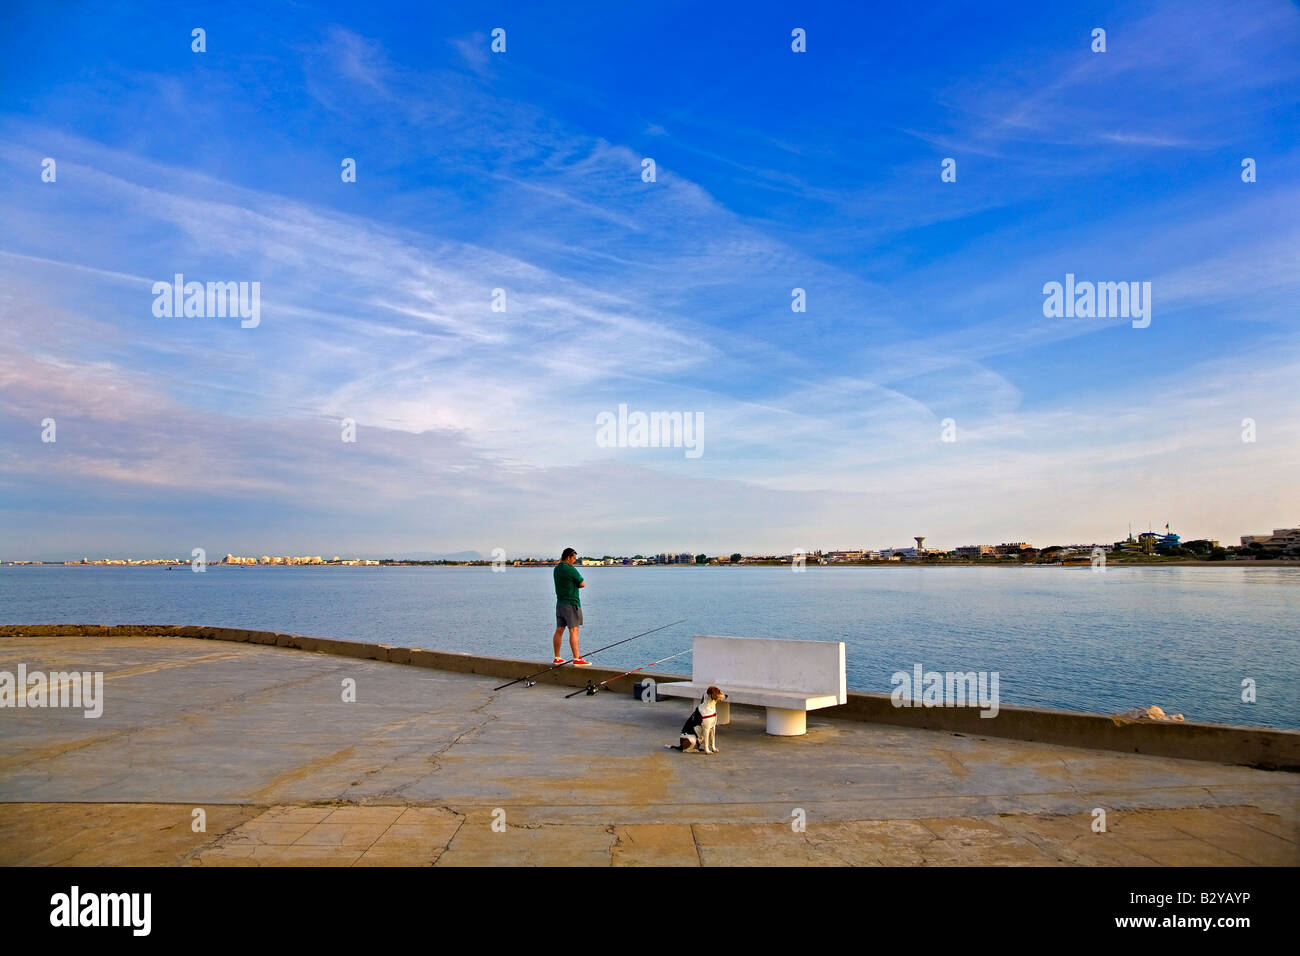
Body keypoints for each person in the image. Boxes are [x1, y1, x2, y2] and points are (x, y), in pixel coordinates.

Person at [552, 547, 589, 665]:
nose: (574, 561)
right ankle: (577, 659)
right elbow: (582, 584)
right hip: (571, 603)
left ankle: (557, 657)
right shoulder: (571, 569)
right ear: (568, 557)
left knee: (559, 630)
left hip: (560, 603)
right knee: (574, 631)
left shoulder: (556, 569)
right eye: (574, 558)